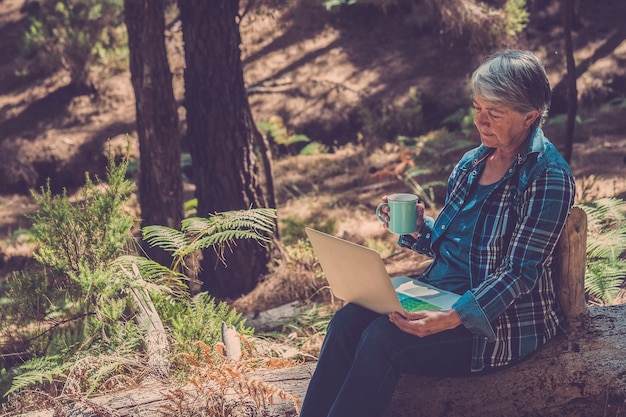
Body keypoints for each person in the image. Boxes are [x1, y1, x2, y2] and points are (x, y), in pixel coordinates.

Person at [298, 49, 576, 417]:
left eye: (494, 113)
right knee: (346, 322)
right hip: (436, 297)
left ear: (530, 117)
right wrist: (417, 227)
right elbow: (454, 247)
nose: (481, 120)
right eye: (477, 107)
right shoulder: (472, 163)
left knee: (382, 340)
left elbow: (519, 272)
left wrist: (454, 316)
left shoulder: (548, 177)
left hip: (495, 326)